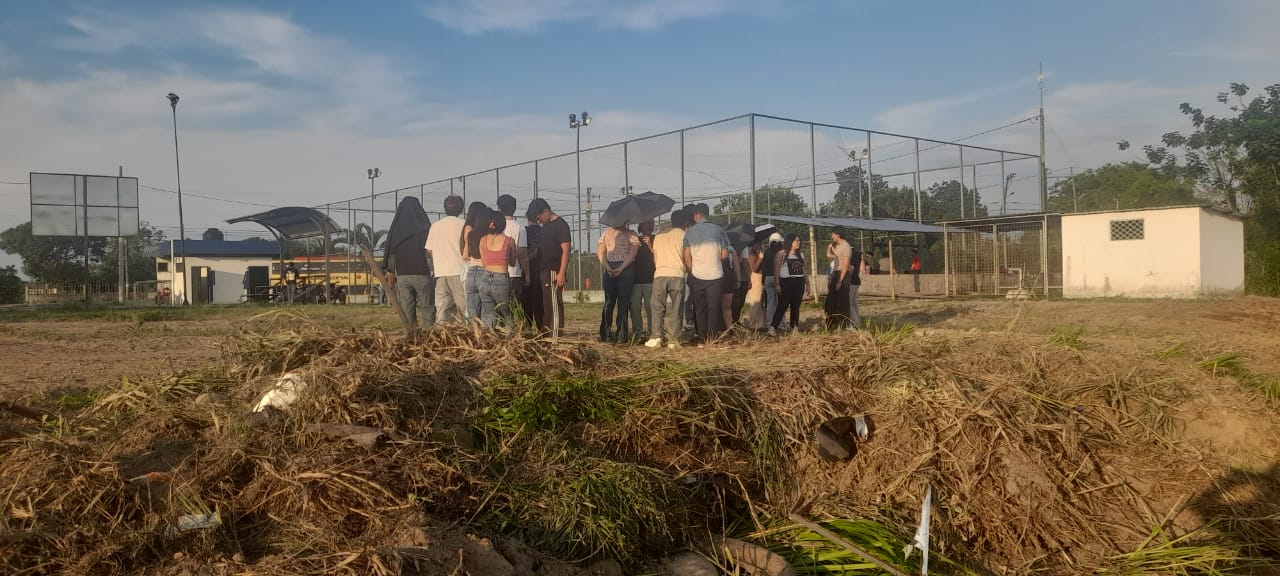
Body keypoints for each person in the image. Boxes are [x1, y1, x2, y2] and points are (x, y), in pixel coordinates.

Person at [382, 196, 434, 330]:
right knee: (427, 307)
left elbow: (390, 253)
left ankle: (411, 334)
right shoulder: (425, 228)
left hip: (402, 276)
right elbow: (431, 251)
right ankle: (430, 334)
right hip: (422, 274)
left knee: (407, 308)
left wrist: (390, 272)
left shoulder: (396, 230)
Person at [682, 203, 729, 347]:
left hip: (698, 275)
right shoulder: (719, 230)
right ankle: (712, 338)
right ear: (707, 214)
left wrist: (692, 270)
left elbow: (686, 257)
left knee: (700, 308)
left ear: (696, 214)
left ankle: (701, 339)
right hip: (716, 274)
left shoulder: (689, 232)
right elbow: (724, 255)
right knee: (714, 308)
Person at [528, 198, 571, 338]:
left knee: (554, 306)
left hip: (553, 271)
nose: (539, 221)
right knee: (546, 306)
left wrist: (561, 272)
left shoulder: (561, 225)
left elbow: (566, 250)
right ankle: (546, 335)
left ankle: (555, 337)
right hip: (542, 271)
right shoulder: (545, 227)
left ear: (546, 211)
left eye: (539, 217)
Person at [646, 210, 688, 349]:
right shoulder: (684, 235)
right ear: (684, 222)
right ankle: (673, 339)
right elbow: (686, 255)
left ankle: (656, 336)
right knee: (676, 308)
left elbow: (655, 257)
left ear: (672, 220)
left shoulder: (659, 235)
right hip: (677, 274)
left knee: (657, 307)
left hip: (660, 273)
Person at [426, 195, 467, 323]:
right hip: (460, 272)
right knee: (463, 310)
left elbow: (429, 250)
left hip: (441, 273)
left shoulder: (435, 226)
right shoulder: (465, 225)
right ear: (461, 208)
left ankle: (441, 333)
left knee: (443, 310)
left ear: (445, 209)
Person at [598, 223, 639, 342]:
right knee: (618, 302)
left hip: (617, 268)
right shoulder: (629, 234)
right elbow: (632, 255)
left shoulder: (629, 234)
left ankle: (610, 334)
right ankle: (619, 335)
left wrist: (611, 267)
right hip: (623, 269)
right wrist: (612, 268)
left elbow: (601, 254)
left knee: (613, 302)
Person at [477, 210, 515, 329]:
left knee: (489, 315)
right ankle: (509, 337)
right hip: (501, 280)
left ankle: (488, 337)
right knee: (507, 315)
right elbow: (512, 263)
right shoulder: (509, 241)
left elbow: (484, 262)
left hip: (485, 279)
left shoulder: (483, 240)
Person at [497, 195, 529, 326]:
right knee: (515, 307)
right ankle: (516, 331)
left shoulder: (495, 226)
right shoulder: (519, 227)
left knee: (499, 308)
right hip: (514, 273)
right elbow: (522, 254)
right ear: (514, 209)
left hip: (497, 272)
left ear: (499, 208)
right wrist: (528, 274)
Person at [771, 233, 807, 334]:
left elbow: (804, 270)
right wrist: (777, 284)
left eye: (799, 240)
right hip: (786, 282)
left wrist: (807, 283)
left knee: (796, 306)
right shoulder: (781, 254)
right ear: (790, 241)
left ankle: (794, 327)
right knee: (782, 306)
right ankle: (773, 327)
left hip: (799, 282)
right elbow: (776, 270)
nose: (798, 242)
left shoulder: (800, 255)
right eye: (796, 240)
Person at [461, 201, 490, 322]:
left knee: (472, 311)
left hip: (471, 271)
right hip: (482, 271)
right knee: (486, 309)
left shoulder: (471, 233)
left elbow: (464, 255)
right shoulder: (487, 235)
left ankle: (473, 330)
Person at [629, 219, 656, 341]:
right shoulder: (635, 240)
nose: (650, 226)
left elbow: (657, 255)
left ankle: (652, 331)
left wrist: (650, 244)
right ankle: (637, 332)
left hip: (651, 279)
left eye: (652, 224)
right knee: (635, 307)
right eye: (648, 223)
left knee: (650, 307)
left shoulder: (656, 239)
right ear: (641, 225)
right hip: (635, 280)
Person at [824, 228, 856, 330]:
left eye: (833, 234)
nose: (832, 236)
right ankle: (831, 324)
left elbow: (846, 265)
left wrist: (840, 281)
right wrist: (829, 248)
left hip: (843, 274)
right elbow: (830, 255)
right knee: (831, 300)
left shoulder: (845, 246)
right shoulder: (838, 246)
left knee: (843, 301)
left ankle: (844, 325)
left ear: (838, 235)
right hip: (836, 273)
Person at [523, 215, 543, 330]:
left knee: (527, 300)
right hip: (541, 269)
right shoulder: (543, 231)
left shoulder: (524, 231)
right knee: (539, 301)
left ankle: (527, 327)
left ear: (528, 219)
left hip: (526, 270)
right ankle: (541, 327)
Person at [761, 231, 784, 330]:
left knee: (770, 303)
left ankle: (770, 324)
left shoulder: (767, 253)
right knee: (781, 303)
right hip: (778, 278)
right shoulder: (781, 253)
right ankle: (781, 324)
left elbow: (764, 268)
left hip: (768, 278)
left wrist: (763, 282)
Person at [744, 238, 766, 331]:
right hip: (756, 277)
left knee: (762, 302)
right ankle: (753, 323)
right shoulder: (751, 255)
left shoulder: (761, 253)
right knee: (756, 301)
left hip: (762, 277)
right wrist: (760, 259)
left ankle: (761, 322)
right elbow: (753, 268)